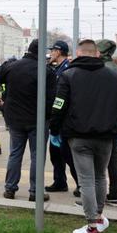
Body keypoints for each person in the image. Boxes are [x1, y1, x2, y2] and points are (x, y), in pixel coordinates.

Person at [49, 39, 117, 233]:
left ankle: (92, 228)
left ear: (77, 53)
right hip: (106, 135)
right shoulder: (112, 75)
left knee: (86, 180)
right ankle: (99, 217)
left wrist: (55, 130)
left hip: (78, 136)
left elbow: (59, 105)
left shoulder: (68, 75)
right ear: (96, 54)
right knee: (100, 177)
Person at [0, 39, 55, 201]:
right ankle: (35, 192)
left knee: (15, 153)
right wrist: (49, 119)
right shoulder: (46, 71)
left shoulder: (13, 66)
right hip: (37, 120)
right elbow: (50, 99)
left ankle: (10, 189)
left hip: (15, 119)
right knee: (37, 156)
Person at [44, 40, 79, 196]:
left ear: (58, 52)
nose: (51, 53)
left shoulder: (67, 68)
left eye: (52, 51)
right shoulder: (56, 68)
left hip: (65, 120)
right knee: (55, 154)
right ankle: (60, 182)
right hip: (56, 119)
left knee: (69, 156)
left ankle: (80, 184)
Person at [97, 39, 117, 207]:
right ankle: (113, 193)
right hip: (113, 119)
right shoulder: (115, 69)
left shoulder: (103, 69)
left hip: (102, 119)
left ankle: (101, 196)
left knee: (102, 159)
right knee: (112, 158)